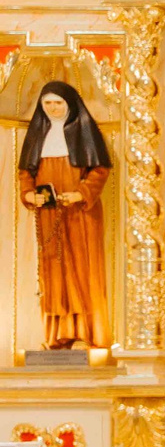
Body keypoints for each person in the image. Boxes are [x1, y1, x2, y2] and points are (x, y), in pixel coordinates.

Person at [16, 81, 113, 349]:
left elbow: (99, 170)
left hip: (80, 214)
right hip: (49, 214)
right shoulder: (38, 134)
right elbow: (26, 173)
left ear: (69, 104)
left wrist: (81, 193)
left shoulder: (83, 131)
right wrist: (28, 194)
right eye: (47, 103)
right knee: (54, 273)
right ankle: (57, 336)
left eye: (58, 103)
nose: (53, 108)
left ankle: (85, 334)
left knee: (82, 270)